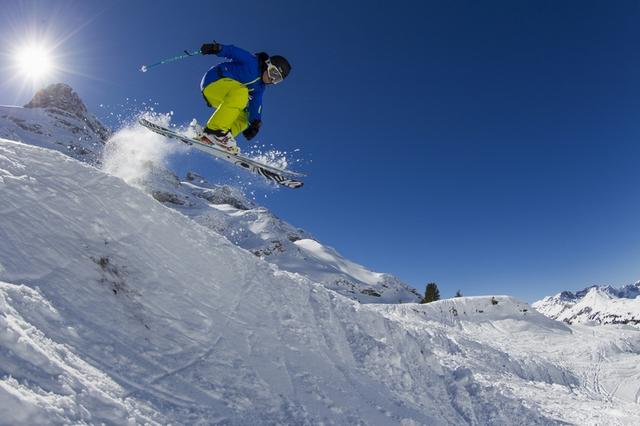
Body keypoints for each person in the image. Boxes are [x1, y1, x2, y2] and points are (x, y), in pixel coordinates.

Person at [198, 41, 291, 153]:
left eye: (276, 79)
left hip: (226, 96)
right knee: (243, 92)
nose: (272, 79)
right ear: (268, 64)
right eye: (273, 73)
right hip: (214, 82)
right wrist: (217, 48)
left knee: (246, 116)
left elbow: (256, 105)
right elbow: (233, 52)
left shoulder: (260, 88)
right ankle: (215, 131)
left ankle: (220, 138)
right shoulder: (252, 62)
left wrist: (255, 123)